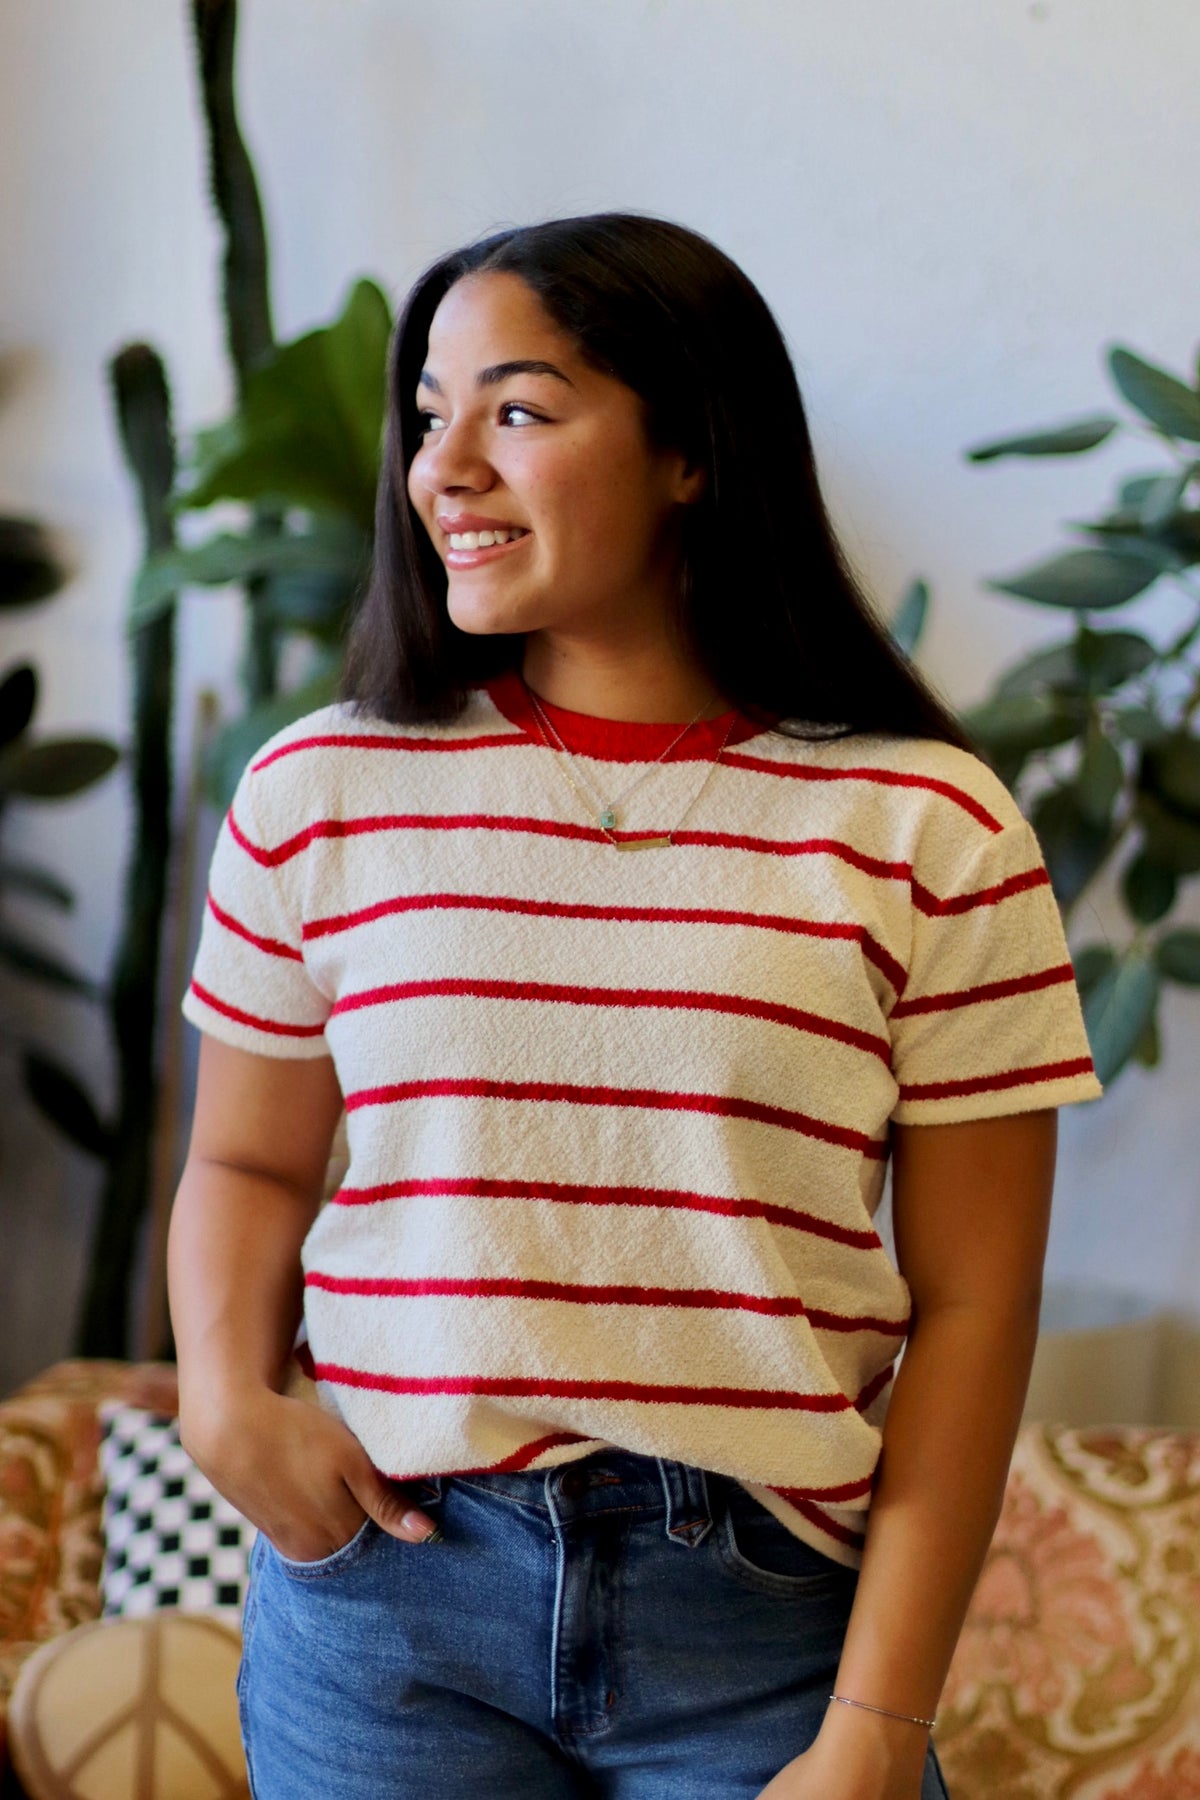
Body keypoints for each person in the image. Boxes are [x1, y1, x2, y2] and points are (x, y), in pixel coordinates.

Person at [168, 213, 1101, 1800]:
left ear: (692, 452)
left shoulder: (928, 827)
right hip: (389, 1595)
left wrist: (878, 1727)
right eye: (430, 415)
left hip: (765, 1632)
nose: (442, 468)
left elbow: (974, 1308)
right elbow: (249, 1167)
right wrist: (220, 1400)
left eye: (518, 411)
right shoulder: (318, 789)